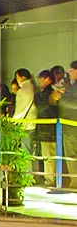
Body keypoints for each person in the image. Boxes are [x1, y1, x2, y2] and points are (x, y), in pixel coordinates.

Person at [50, 60, 77, 189]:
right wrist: (56, 98)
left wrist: (62, 98)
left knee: (72, 155)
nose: (69, 73)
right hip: (67, 127)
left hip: (73, 126)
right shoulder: (70, 86)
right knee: (70, 155)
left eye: (72, 70)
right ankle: (74, 182)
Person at [34, 70, 59, 187]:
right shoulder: (47, 93)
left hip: (48, 129)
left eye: (41, 79)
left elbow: (43, 108)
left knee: (48, 156)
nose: (39, 82)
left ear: (48, 79)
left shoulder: (48, 94)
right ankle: (50, 179)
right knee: (48, 156)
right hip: (48, 129)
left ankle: (50, 180)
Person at [12, 68, 37, 154]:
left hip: (26, 125)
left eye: (17, 77)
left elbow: (21, 109)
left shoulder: (24, 90)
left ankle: (28, 168)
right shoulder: (33, 87)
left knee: (25, 153)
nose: (17, 80)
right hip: (32, 123)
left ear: (22, 77)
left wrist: (13, 122)